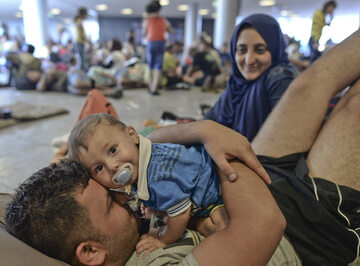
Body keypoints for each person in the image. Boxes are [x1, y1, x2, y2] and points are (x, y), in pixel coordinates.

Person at [6, 27, 360, 265]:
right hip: (305, 226)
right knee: (354, 105)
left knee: (309, 83)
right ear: (90, 252)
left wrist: (205, 131)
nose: (120, 191)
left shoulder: (117, 223)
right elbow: (266, 224)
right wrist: (214, 144)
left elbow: (139, 145)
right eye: (110, 202)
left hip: (244, 180)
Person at [67, 113, 230, 254]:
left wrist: (163, 239)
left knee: (222, 227)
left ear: (132, 135)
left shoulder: (156, 178)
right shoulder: (145, 156)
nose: (112, 166)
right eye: (99, 168)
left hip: (216, 188)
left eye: (112, 150)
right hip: (201, 170)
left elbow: (180, 213)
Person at [203, 13, 298, 142]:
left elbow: (281, 143)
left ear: (275, 49)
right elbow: (208, 122)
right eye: (242, 50)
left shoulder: (281, 78)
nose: (249, 60)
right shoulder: (236, 84)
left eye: (260, 50)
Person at [142, 0, 173, 95]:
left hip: (151, 43)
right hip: (161, 43)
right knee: (158, 66)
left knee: (150, 65)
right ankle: (154, 89)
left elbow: (144, 34)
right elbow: (171, 31)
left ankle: (150, 86)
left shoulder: (147, 20)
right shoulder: (163, 20)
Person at [74, 7, 88, 71]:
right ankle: (81, 71)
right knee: (81, 58)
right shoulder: (79, 22)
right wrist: (87, 40)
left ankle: (81, 70)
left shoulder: (79, 21)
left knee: (82, 58)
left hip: (80, 41)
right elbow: (81, 35)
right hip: (79, 41)